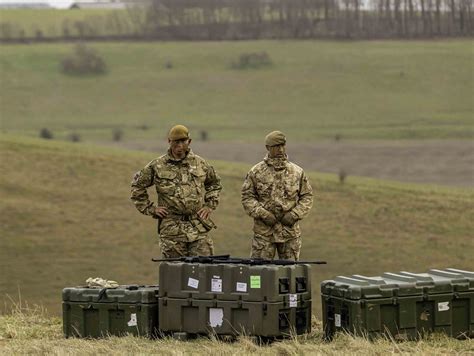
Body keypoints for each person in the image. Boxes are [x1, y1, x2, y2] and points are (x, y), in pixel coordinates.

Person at [131, 125, 222, 258]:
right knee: (175, 271)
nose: (180, 145)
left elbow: (215, 183)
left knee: (204, 269)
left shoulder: (200, 163)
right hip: (171, 229)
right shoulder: (157, 165)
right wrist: (151, 209)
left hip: (197, 226)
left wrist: (209, 206)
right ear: (169, 142)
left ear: (189, 142)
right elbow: (137, 186)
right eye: (176, 142)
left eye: (183, 141)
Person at [241, 131, 313, 260]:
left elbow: (307, 196)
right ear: (268, 148)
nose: (280, 149)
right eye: (276, 146)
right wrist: (263, 214)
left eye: (282, 145)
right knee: (259, 274)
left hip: (289, 233)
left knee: (290, 274)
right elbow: (247, 197)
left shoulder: (297, 172)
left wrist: (294, 214)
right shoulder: (256, 172)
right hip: (264, 234)